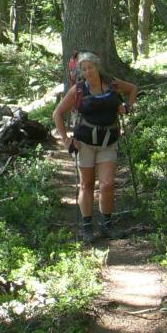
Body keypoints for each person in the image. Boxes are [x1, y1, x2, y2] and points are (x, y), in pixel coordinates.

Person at [52, 51, 138, 241]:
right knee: (87, 184)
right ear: (81, 71)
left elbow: (132, 89)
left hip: (108, 141)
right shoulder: (78, 90)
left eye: (90, 67)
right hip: (85, 144)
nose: (88, 71)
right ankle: (87, 226)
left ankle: (106, 225)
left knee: (107, 185)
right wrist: (66, 139)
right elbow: (57, 114)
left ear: (97, 67)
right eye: (84, 69)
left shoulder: (112, 84)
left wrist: (127, 107)